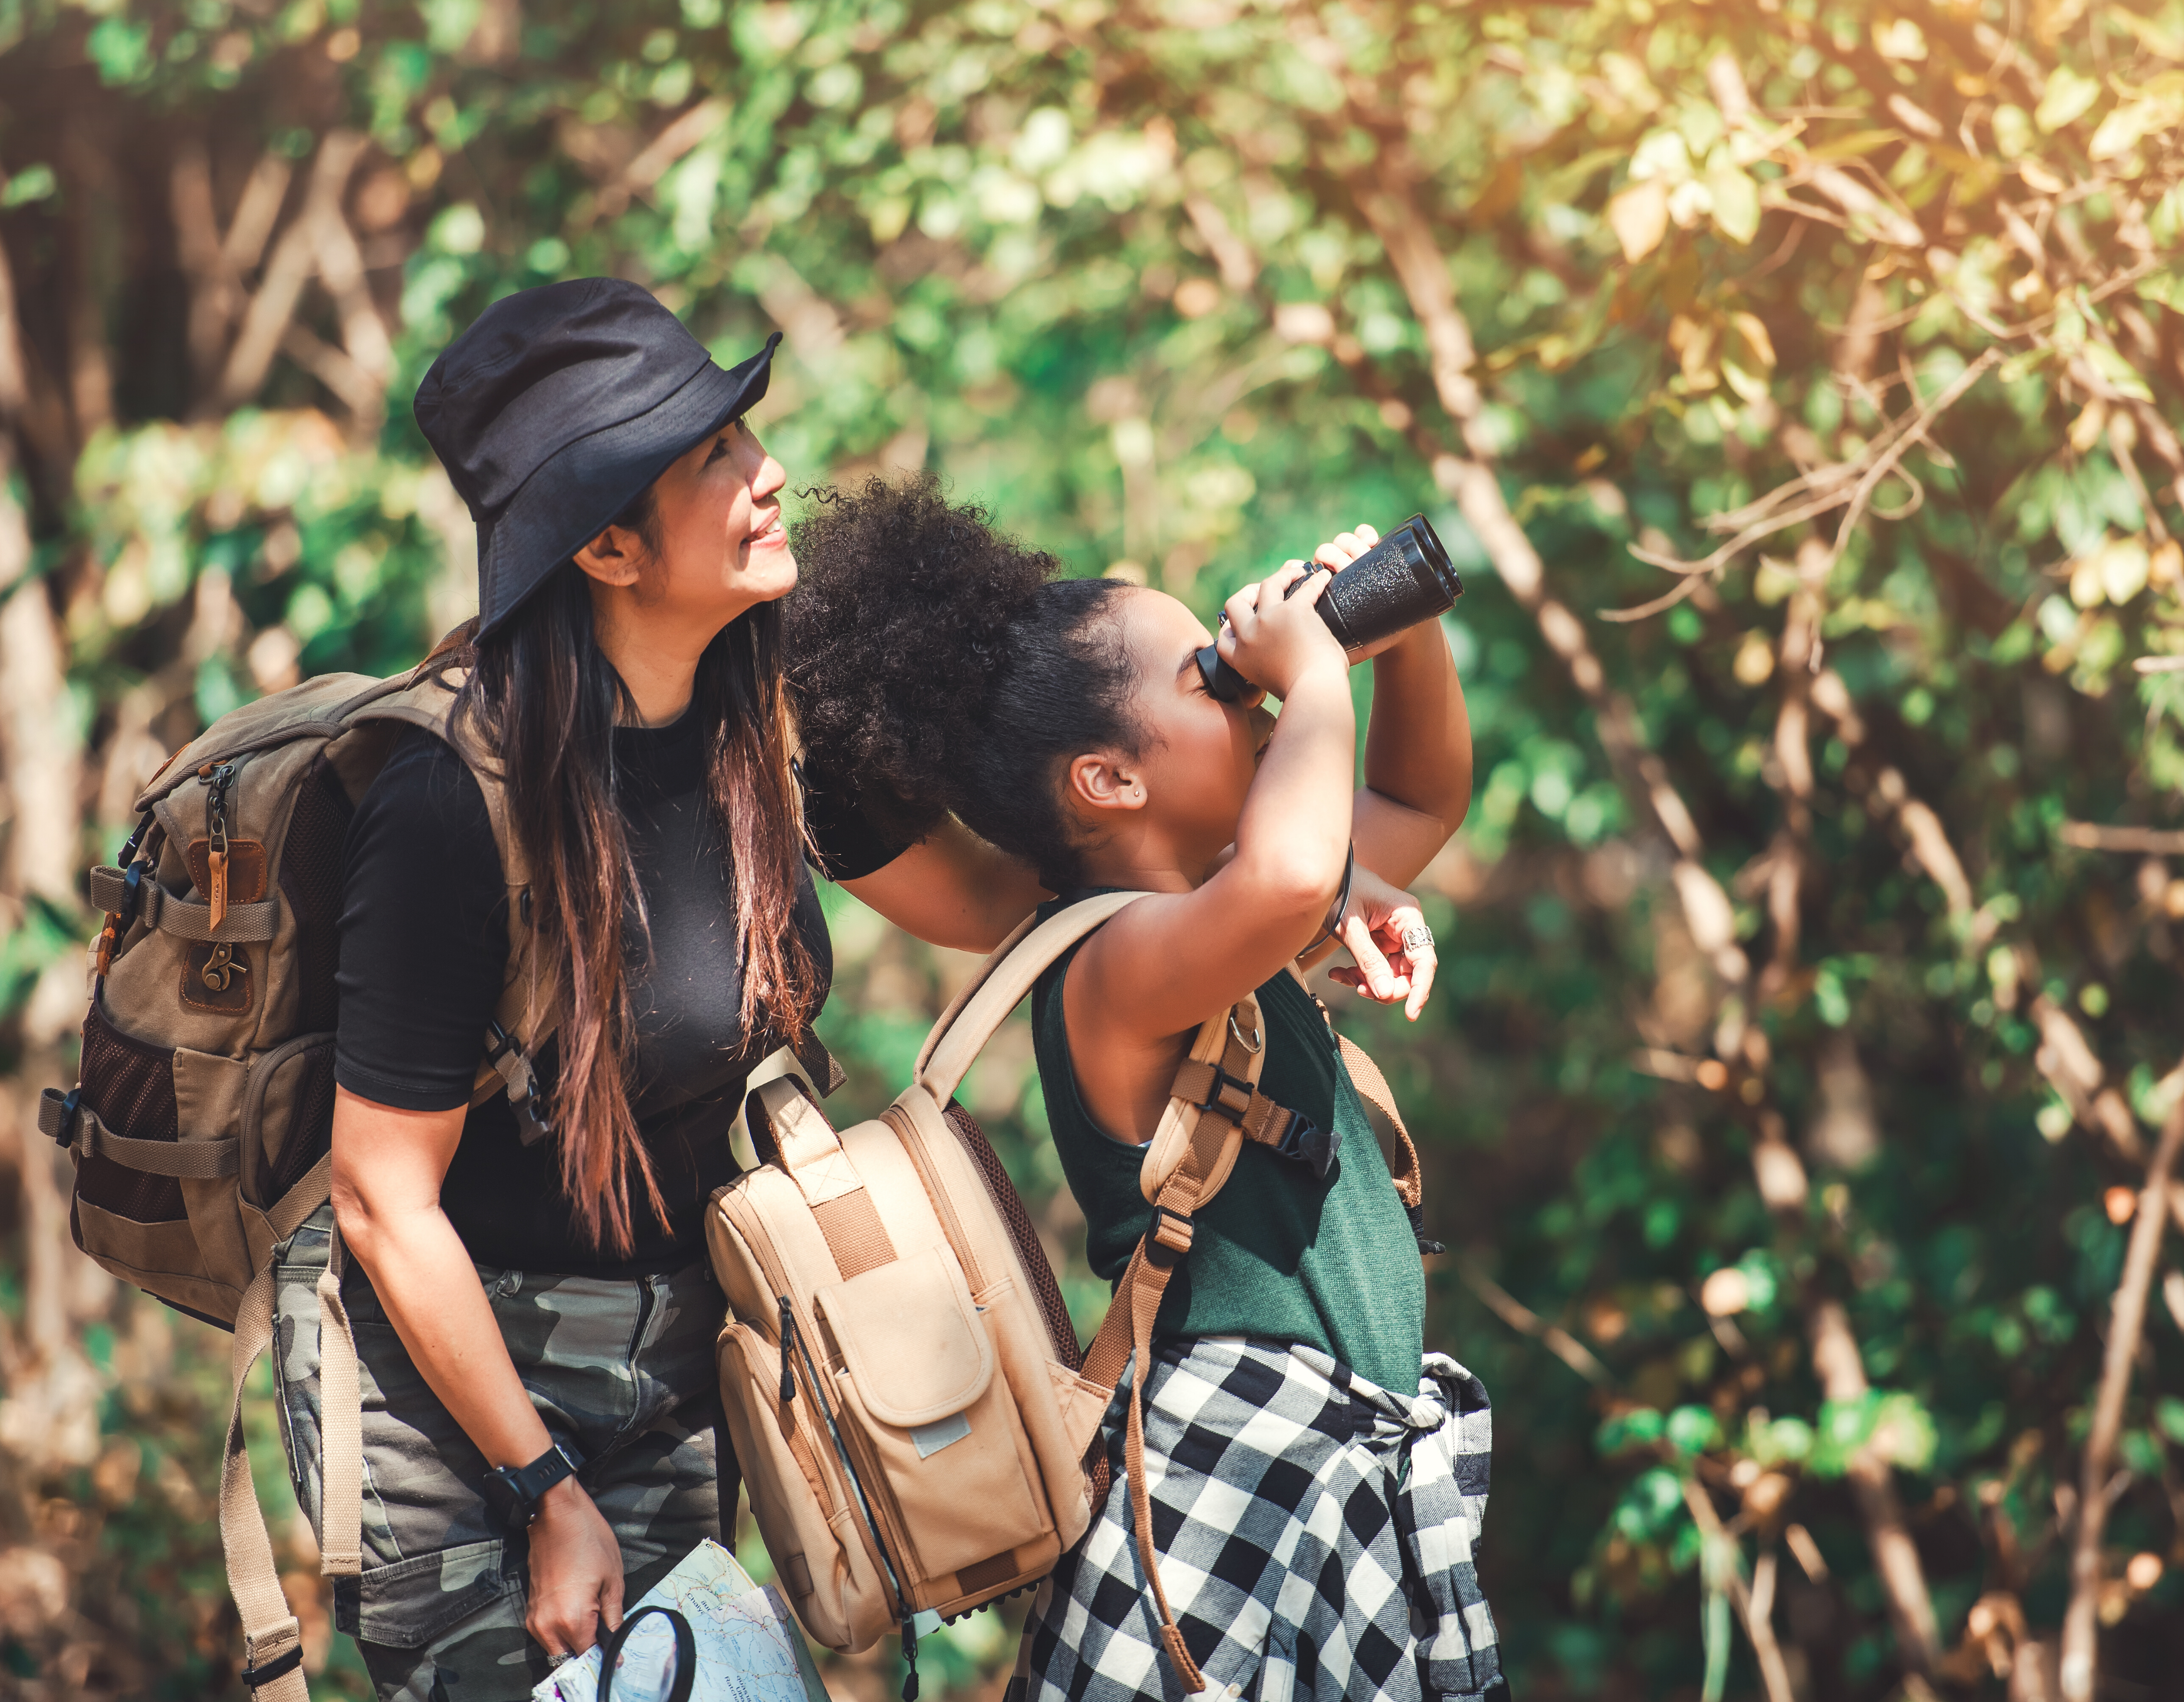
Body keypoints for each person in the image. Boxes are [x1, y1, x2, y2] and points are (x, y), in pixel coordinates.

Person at [272, 278, 1444, 1701]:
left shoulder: (766, 744)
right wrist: (542, 1490)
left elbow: (1050, 913)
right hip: (466, 1429)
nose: (766, 472)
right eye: (709, 460)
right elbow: (381, 1201)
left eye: (741, 432)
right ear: (606, 546)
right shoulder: (448, 806)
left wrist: (1327, 890)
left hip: (682, 1381)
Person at [785, 481, 1507, 1702]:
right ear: (1108, 782)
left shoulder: (1223, 910)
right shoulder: (1112, 960)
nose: (1257, 682)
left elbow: (1423, 801)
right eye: (1210, 678)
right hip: (1221, 1494)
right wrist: (1321, 665)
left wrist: (1403, 640)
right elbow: (1286, 877)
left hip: (1317, 1472)